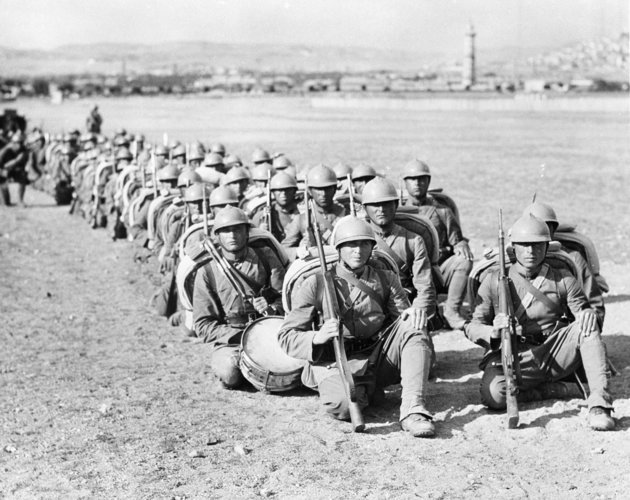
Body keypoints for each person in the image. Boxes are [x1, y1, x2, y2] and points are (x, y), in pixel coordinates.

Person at [278, 217, 437, 437]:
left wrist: (411, 313)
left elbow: (402, 318)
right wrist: (317, 336)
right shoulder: (315, 283)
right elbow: (287, 336)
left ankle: (413, 410)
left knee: (414, 325)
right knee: (342, 406)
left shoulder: (387, 278)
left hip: (377, 354)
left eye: (364, 244)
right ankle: (366, 390)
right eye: (351, 245)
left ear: (372, 247)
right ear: (339, 249)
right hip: (336, 359)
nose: (358, 251)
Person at [464, 214, 615, 431]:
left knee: (586, 327)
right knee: (494, 397)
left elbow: (582, 312)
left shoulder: (563, 279)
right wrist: (494, 331)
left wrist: (587, 314)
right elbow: (471, 325)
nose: (530, 251)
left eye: (537, 245)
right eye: (524, 245)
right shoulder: (493, 281)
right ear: (512, 248)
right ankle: (545, 390)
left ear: (546, 247)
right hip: (516, 355)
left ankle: (600, 406)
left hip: (554, 351)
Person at [193, 206, 286, 388]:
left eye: (237, 229)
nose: (232, 235)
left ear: (247, 232)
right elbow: (203, 325)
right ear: (217, 236)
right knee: (230, 372)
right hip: (232, 339)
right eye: (226, 231)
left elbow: (287, 299)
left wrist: (272, 308)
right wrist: (240, 336)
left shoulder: (266, 257)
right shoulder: (207, 271)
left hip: (269, 330)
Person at [402, 159, 473, 329]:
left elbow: (456, 239)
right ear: (405, 182)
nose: (417, 183)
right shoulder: (399, 211)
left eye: (422, 179)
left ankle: (451, 311)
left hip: (437, 270)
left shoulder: (442, 211)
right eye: (412, 179)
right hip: (411, 272)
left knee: (463, 262)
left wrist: (461, 244)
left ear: (428, 181)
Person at [361, 177, 436, 318]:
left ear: (396, 205)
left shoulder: (413, 240)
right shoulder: (358, 241)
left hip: (403, 307)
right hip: (367, 308)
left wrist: (416, 313)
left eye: (386, 204)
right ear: (365, 208)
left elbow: (425, 287)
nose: (381, 209)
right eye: (375, 205)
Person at [523, 201, 605, 326]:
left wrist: (591, 322)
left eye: (545, 226)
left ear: (553, 229)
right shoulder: (514, 257)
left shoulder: (573, 258)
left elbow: (593, 303)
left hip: (564, 331)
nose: (540, 231)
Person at [282, 164, 346, 259]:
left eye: (327, 188)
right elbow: (283, 250)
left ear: (334, 189)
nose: (323, 194)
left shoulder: (346, 214)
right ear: (310, 191)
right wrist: (301, 250)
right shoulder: (301, 219)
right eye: (318, 189)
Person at [252, 171, 300, 242]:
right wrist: (260, 232)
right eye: (279, 190)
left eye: (288, 190)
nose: (283, 193)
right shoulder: (262, 216)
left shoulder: (302, 212)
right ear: (273, 192)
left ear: (294, 191)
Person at [0, 130, 30, 206]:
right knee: (2, 180)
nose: (18, 145)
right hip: (4, 170)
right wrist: (5, 148)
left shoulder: (23, 150)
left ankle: (20, 200)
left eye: (20, 143)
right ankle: (5, 199)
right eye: (16, 143)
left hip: (16, 169)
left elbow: (17, 160)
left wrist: (6, 166)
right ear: (12, 143)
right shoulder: (7, 149)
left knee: (23, 176)